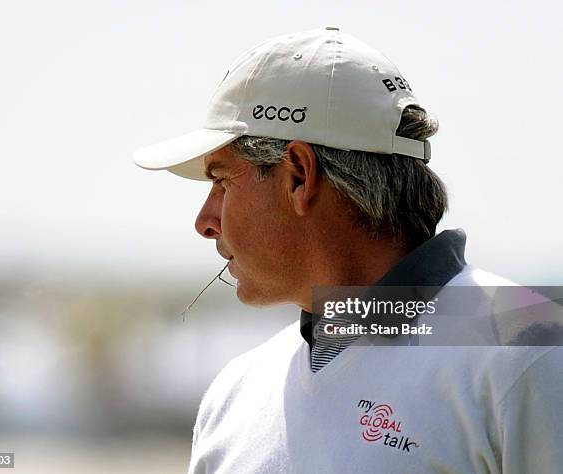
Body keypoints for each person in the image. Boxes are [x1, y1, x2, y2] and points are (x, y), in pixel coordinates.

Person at [134, 27, 563, 473]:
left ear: (299, 175)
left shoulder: (534, 339)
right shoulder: (237, 391)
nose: (205, 221)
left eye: (222, 181)